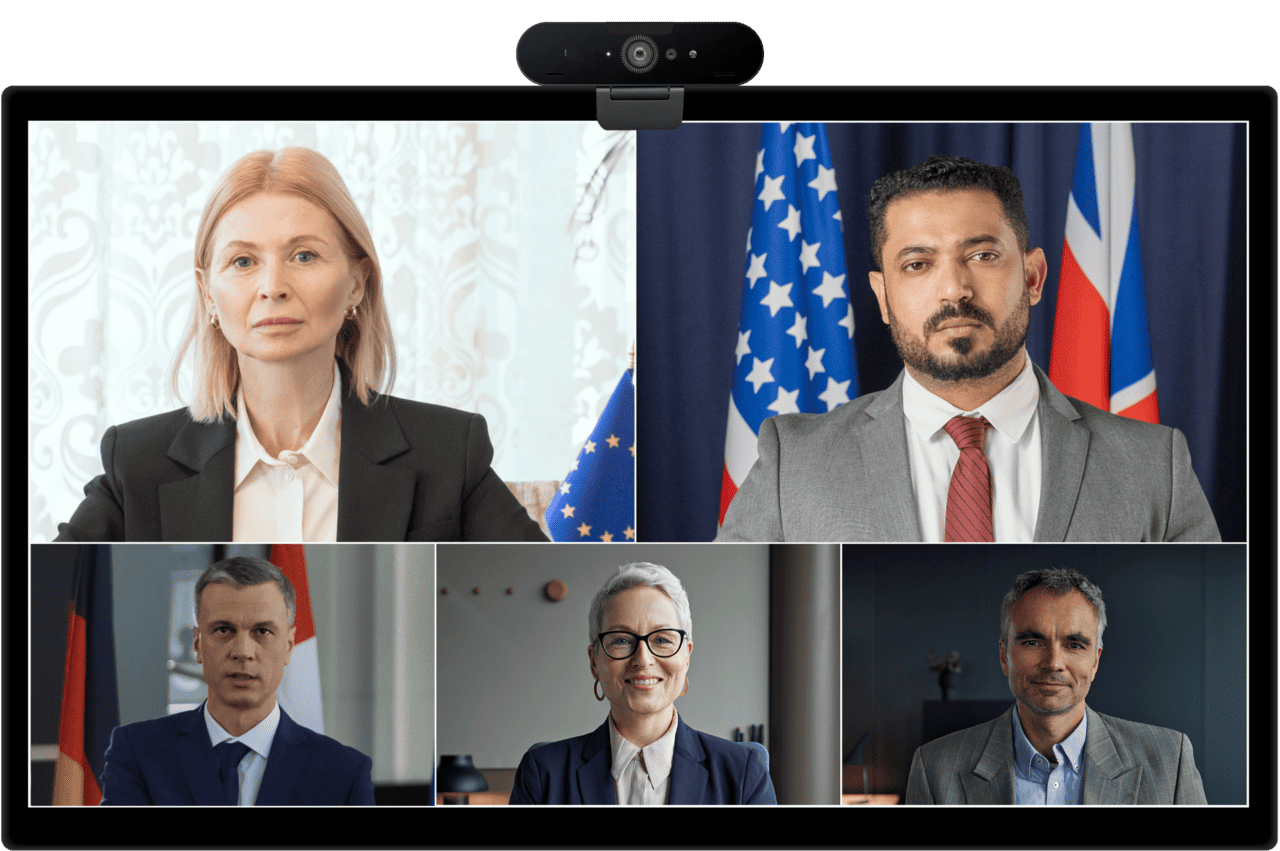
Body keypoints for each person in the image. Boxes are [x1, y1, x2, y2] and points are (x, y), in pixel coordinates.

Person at [717, 156, 1220, 543]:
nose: (954, 289)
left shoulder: (1155, 466)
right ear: (882, 297)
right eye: (917, 264)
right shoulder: (793, 462)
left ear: (1033, 276)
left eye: (982, 255)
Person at [56, 147, 546, 542]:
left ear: (357, 283)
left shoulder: (448, 453)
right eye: (243, 262)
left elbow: (548, 606)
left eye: (304, 255)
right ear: (208, 294)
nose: (273, 285)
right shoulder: (137, 464)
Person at [905, 568, 1207, 805]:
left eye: (1074, 644)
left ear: (1095, 661)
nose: (1053, 663)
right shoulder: (935, 768)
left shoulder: (1169, 760)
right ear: (1004, 656)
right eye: (1032, 641)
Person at [100, 557, 375, 805]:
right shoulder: (137, 752)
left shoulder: (344, 773)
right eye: (223, 629)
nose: (242, 651)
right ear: (197, 644)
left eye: (262, 631)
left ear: (289, 646)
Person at [509, 562, 776, 805]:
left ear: (686, 656)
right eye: (622, 640)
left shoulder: (743, 772)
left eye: (662, 639)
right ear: (594, 662)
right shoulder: (543, 773)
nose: (643, 659)